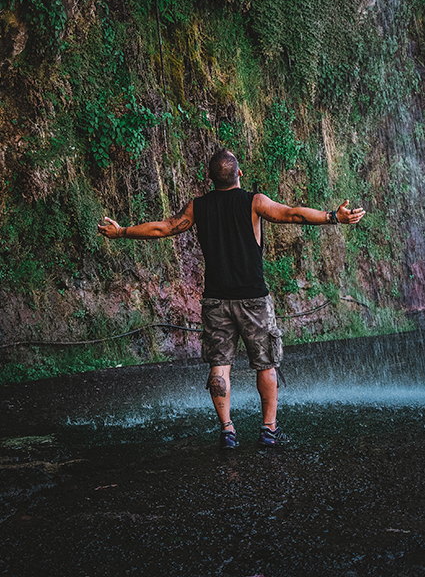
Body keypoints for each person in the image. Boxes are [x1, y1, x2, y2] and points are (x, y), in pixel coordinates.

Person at [98, 147, 366, 448]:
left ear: (210, 178)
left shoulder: (198, 207)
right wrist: (333, 216)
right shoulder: (254, 202)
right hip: (253, 298)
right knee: (266, 365)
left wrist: (121, 232)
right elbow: (292, 214)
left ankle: (227, 430)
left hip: (215, 301)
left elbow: (164, 228)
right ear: (239, 173)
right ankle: (269, 430)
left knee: (219, 366)